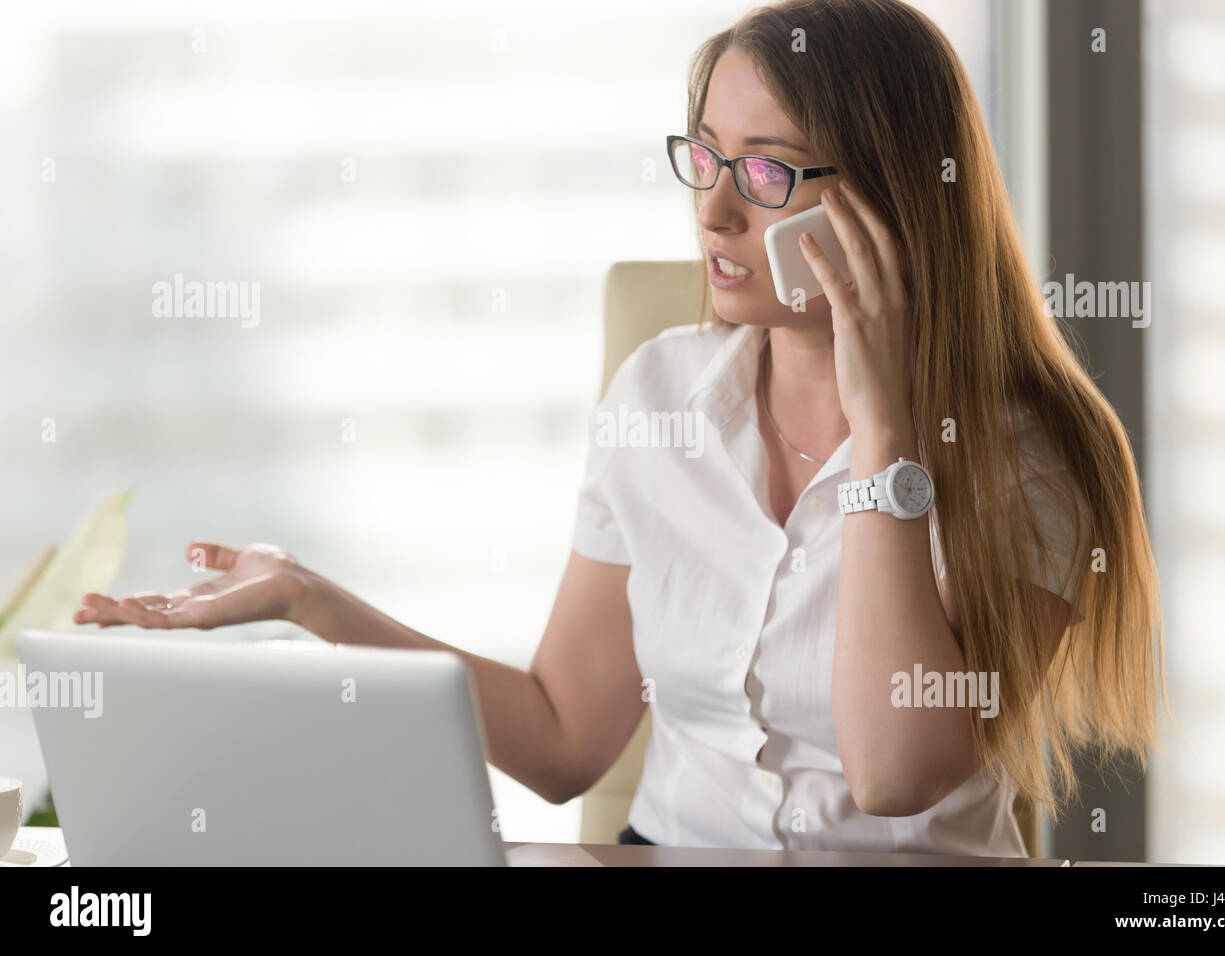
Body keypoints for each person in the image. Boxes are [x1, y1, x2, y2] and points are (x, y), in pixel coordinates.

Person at [76, 0, 1165, 855]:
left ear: (889, 202)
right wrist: (310, 598)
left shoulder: (1035, 457)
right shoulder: (657, 400)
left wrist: (884, 430)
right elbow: (560, 738)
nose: (714, 211)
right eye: (704, 156)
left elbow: (890, 771)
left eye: (768, 170)